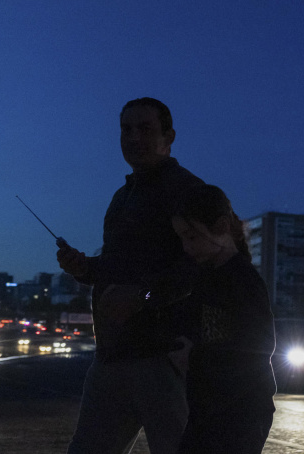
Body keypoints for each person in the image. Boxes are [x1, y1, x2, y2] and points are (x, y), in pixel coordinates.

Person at [57, 97, 205, 454]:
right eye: (126, 129)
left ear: (169, 136)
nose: (133, 137)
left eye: (145, 128)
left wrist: (143, 296)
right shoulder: (121, 198)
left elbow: (202, 267)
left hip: (163, 359)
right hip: (112, 357)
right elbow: (117, 268)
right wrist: (86, 269)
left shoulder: (189, 191)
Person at [171, 183, 277, 454]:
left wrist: (192, 357)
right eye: (182, 238)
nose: (186, 247)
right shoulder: (205, 276)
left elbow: (259, 346)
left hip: (240, 412)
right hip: (209, 408)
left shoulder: (242, 279)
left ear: (220, 226)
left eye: (192, 237)